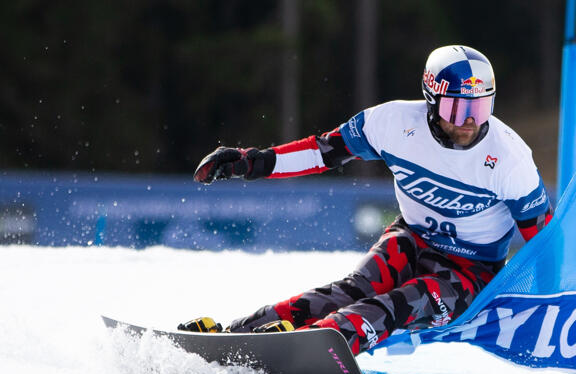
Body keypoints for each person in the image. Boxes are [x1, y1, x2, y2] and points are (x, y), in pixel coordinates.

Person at [181, 45, 553, 357]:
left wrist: (556, 301)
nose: (469, 123)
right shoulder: (390, 122)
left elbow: (546, 240)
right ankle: (236, 333)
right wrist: (252, 162)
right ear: (430, 100)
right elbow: (322, 151)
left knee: (403, 301)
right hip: (412, 238)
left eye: (479, 109)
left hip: (471, 271)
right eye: (456, 110)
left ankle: (317, 344)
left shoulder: (509, 158)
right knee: (349, 291)